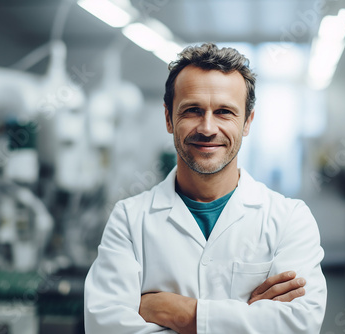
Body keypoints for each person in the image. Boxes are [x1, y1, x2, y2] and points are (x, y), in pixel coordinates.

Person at [84, 43, 326, 333]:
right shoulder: (129, 220)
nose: (208, 128)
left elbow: (298, 324)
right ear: (168, 118)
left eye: (224, 112)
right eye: (192, 110)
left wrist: (176, 312)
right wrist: (248, 317)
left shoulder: (289, 220)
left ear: (247, 121)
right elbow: (106, 327)